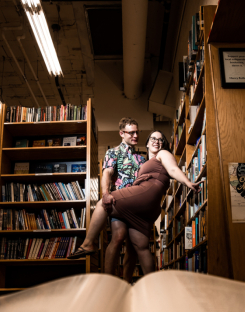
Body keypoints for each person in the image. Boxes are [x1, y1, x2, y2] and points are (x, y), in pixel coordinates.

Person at [68, 131, 201, 276]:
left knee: (103, 203)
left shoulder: (163, 154)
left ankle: (88, 243)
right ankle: (151, 284)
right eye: (153, 138)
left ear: (164, 144)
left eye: (161, 139)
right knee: (141, 246)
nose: (157, 141)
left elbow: (173, 169)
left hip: (147, 192)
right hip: (149, 205)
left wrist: (188, 182)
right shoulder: (144, 160)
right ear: (148, 142)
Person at [100, 117, 147, 282]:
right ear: (121, 133)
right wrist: (105, 193)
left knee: (133, 247)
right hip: (119, 202)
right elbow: (107, 173)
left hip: (138, 205)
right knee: (118, 236)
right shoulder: (112, 152)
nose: (135, 135)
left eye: (137, 132)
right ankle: (108, 281)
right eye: (131, 132)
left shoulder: (142, 159)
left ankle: (126, 283)